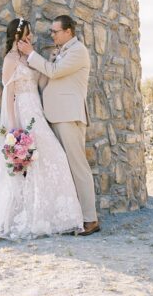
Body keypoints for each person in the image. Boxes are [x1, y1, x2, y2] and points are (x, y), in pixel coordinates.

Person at [0, 17, 83, 244]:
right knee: (32, 163)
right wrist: (14, 129)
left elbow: (43, 82)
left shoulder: (30, 56)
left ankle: (50, 217)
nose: (31, 37)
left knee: (54, 157)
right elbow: (8, 94)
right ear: (17, 36)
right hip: (23, 113)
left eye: (31, 33)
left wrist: (49, 63)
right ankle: (27, 217)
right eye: (27, 33)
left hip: (37, 110)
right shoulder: (10, 59)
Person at [18, 14, 100, 235]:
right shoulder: (60, 52)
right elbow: (48, 76)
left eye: (55, 31)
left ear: (68, 32)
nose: (51, 34)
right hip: (54, 115)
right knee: (64, 168)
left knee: (77, 167)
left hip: (68, 116)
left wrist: (31, 54)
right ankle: (73, 217)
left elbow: (54, 72)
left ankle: (90, 219)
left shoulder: (78, 51)